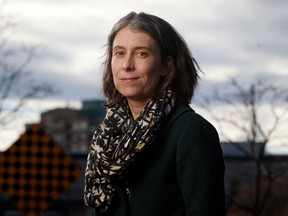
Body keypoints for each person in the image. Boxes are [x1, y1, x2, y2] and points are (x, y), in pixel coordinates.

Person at [84, 11, 226, 216]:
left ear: (166, 66)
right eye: (119, 53)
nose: (127, 65)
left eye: (141, 53)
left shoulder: (191, 132)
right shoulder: (108, 137)